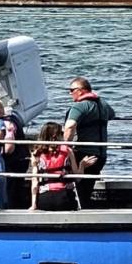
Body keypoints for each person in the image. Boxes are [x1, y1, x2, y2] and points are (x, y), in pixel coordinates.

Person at [63, 77, 115, 207]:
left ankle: (78, 211)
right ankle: (85, 208)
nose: (70, 93)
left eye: (72, 90)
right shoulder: (103, 104)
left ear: (81, 91)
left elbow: (70, 126)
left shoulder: (79, 106)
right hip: (101, 156)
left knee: (78, 187)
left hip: (83, 154)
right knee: (87, 187)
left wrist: (65, 145)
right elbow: (112, 114)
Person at [30, 122, 79, 211]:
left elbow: (34, 181)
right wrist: (83, 164)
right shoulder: (68, 150)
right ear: (55, 136)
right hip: (65, 197)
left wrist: (33, 205)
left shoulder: (36, 153)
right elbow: (77, 177)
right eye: (61, 133)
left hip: (44, 198)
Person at [0, 99, 31, 208]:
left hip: (13, 161)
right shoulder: (14, 118)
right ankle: (20, 206)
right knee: (18, 186)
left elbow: (9, 148)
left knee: (10, 187)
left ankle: (11, 208)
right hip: (23, 157)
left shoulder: (5, 124)